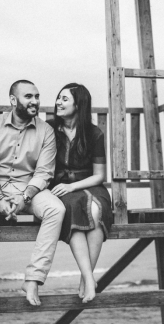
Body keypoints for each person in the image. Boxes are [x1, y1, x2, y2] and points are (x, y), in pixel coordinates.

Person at [0, 80, 65, 312]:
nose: (35, 101)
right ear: (13, 101)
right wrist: (0, 199)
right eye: (28, 97)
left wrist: (25, 197)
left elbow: (44, 172)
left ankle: (33, 280)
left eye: (37, 96)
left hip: (29, 188)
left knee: (56, 209)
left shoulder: (46, 130)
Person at [48, 83, 112, 303]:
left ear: (79, 103)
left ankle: (85, 280)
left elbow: (99, 175)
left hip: (89, 186)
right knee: (75, 209)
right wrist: (65, 187)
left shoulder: (94, 133)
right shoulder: (49, 129)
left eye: (64, 99)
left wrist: (73, 186)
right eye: (58, 98)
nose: (58, 102)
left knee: (96, 211)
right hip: (59, 188)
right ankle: (89, 279)